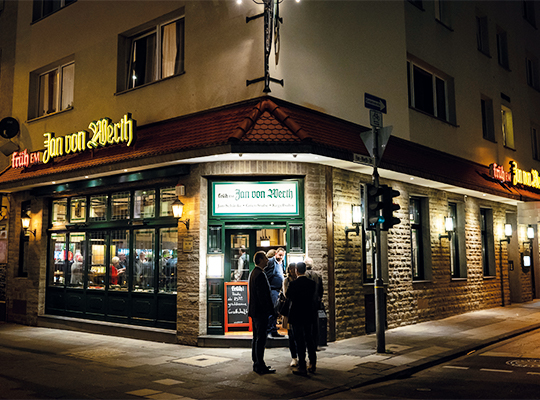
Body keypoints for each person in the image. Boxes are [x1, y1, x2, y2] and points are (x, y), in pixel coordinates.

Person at [286, 261, 317, 376]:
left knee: (299, 341)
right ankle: (313, 363)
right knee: (310, 339)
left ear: (296, 270)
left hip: (297, 314)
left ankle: (302, 366)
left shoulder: (293, 284)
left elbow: (288, 296)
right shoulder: (311, 283)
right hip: (308, 314)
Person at [248, 251, 276, 375]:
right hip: (260, 312)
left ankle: (256, 362)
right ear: (260, 260)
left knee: (256, 337)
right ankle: (260, 364)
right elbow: (263, 296)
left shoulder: (253, 273)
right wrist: (270, 311)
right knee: (260, 338)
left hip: (255, 311)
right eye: (265, 258)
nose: (267, 260)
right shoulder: (260, 274)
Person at [264, 247, 286, 337]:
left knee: (276, 310)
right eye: (280, 255)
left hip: (277, 290)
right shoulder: (270, 262)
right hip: (272, 290)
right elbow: (267, 275)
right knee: (273, 310)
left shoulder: (280, 263)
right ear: (276, 254)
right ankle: (271, 330)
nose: (281, 257)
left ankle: (272, 328)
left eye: (283, 256)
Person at [305, 257, 324, 348]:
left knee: (306, 325)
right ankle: (315, 344)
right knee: (315, 324)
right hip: (315, 303)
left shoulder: (303, 276)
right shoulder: (318, 276)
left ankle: (306, 344)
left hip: (305, 304)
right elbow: (321, 290)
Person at [283, 262, 298, 367]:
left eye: (294, 269)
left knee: (299, 335)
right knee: (291, 335)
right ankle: (294, 357)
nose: (293, 271)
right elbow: (286, 294)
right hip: (289, 310)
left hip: (298, 310)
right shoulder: (286, 280)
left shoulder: (300, 279)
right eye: (291, 269)